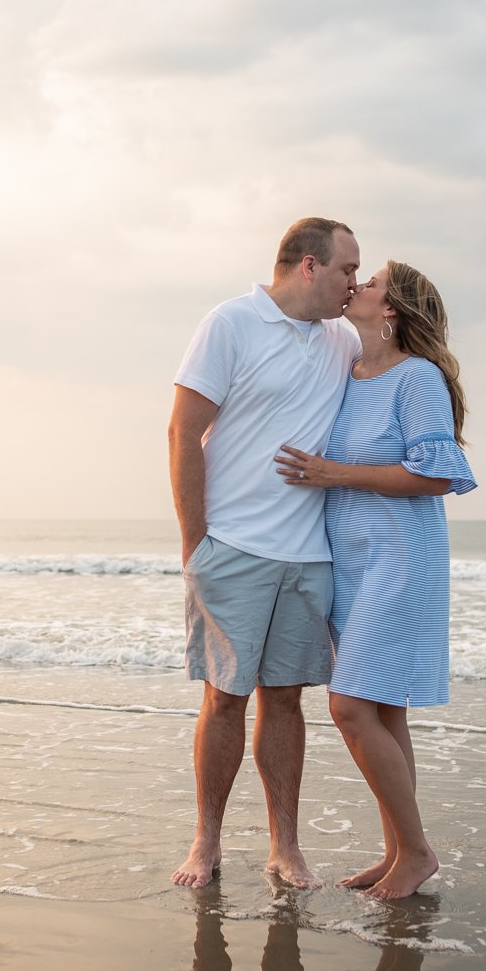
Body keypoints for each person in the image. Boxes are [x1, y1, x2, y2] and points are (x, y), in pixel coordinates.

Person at [170, 217, 363, 889]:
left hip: (310, 556)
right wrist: (198, 545)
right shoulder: (230, 323)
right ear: (308, 266)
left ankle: (286, 845)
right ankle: (207, 840)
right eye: (346, 269)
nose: (354, 283)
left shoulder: (343, 339)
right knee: (225, 698)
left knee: (286, 701)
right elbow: (184, 431)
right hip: (235, 548)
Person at [275, 260, 476, 899]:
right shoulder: (351, 371)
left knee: (349, 706)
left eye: (372, 283)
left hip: (401, 559)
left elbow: (437, 475)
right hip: (354, 564)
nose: (357, 287)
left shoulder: (416, 378)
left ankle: (417, 852)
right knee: (386, 711)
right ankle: (398, 856)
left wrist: (336, 473)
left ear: (391, 310)